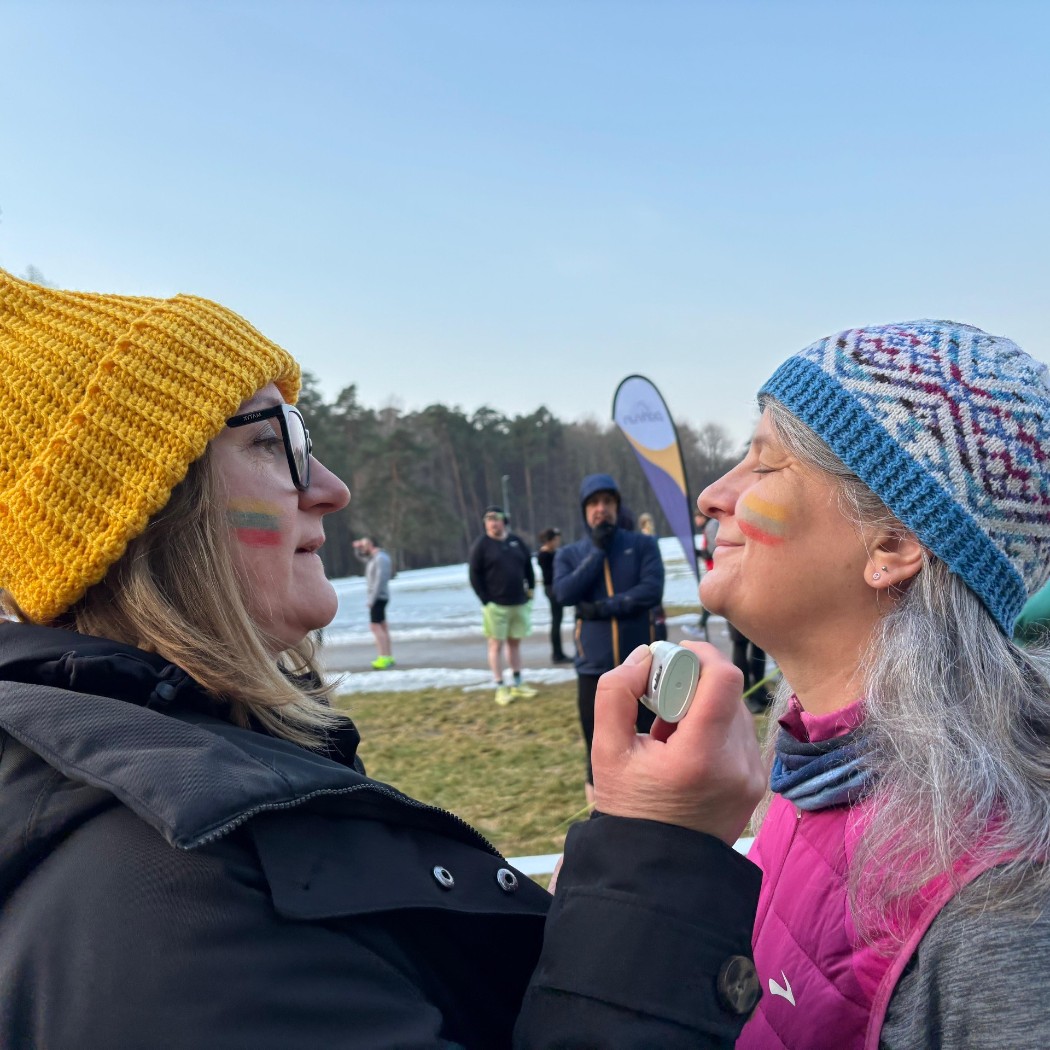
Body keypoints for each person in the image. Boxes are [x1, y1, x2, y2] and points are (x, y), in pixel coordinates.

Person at [0, 267, 767, 1048]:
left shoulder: (204, 786)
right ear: (153, 509)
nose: (330, 488)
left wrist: (592, 923)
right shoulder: (160, 903)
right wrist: (660, 858)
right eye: (274, 441)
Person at [696, 319, 1050, 1048]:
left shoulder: (1002, 910)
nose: (712, 495)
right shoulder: (824, 774)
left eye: (766, 467)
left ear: (891, 544)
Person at [554, 474, 665, 801]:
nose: (601, 509)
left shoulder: (642, 544)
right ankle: (600, 817)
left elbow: (651, 591)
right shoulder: (571, 554)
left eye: (607, 501)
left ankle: (655, 809)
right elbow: (563, 592)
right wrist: (597, 552)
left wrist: (602, 608)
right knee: (597, 748)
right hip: (594, 668)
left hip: (643, 667)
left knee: (652, 742)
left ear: (617, 506)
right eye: (593, 503)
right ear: (584, 510)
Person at [468, 506, 537, 704]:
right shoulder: (481, 545)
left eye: (496, 518)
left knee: (514, 643)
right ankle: (500, 686)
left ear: (504, 521)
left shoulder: (516, 541)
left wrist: (530, 590)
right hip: (495, 605)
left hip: (518, 602)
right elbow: (474, 574)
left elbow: (528, 568)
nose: (492, 522)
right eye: (488, 519)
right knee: (495, 644)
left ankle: (518, 683)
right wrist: (485, 599)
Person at [353, 535, 394, 669]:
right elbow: (361, 557)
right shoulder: (374, 557)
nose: (363, 547)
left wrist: (372, 599)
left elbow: (380, 580)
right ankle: (388, 657)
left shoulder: (380, 558)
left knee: (375, 627)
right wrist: (357, 549)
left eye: (364, 544)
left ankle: (383, 658)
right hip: (380, 596)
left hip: (378, 596)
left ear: (371, 544)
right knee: (382, 626)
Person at [536, 526, 571, 663]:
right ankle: (557, 654)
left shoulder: (553, 553)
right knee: (556, 621)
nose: (558, 542)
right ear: (549, 541)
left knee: (558, 620)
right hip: (551, 588)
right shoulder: (544, 555)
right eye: (556, 540)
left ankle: (558, 653)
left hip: (554, 587)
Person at [637, 512, 668, 642]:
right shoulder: (651, 538)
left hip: (650, 577)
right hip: (654, 577)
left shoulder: (645, 539)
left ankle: (656, 634)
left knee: (654, 610)